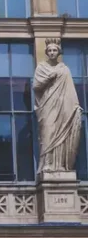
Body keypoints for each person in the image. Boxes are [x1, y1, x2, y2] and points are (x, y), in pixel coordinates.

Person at [33, 38, 83, 173]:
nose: (52, 53)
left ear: (59, 52)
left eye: (54, 50)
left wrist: (75, 106)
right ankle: (46, 164)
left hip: (62, 105)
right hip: (47, 105)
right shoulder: (41, 67)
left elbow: (70, 89)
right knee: (47, 133)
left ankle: (58, 165)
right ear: (46, 53)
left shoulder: (64, 69)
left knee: (61, 134)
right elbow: (36, 86)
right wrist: (50, 77)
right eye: (49, 50)